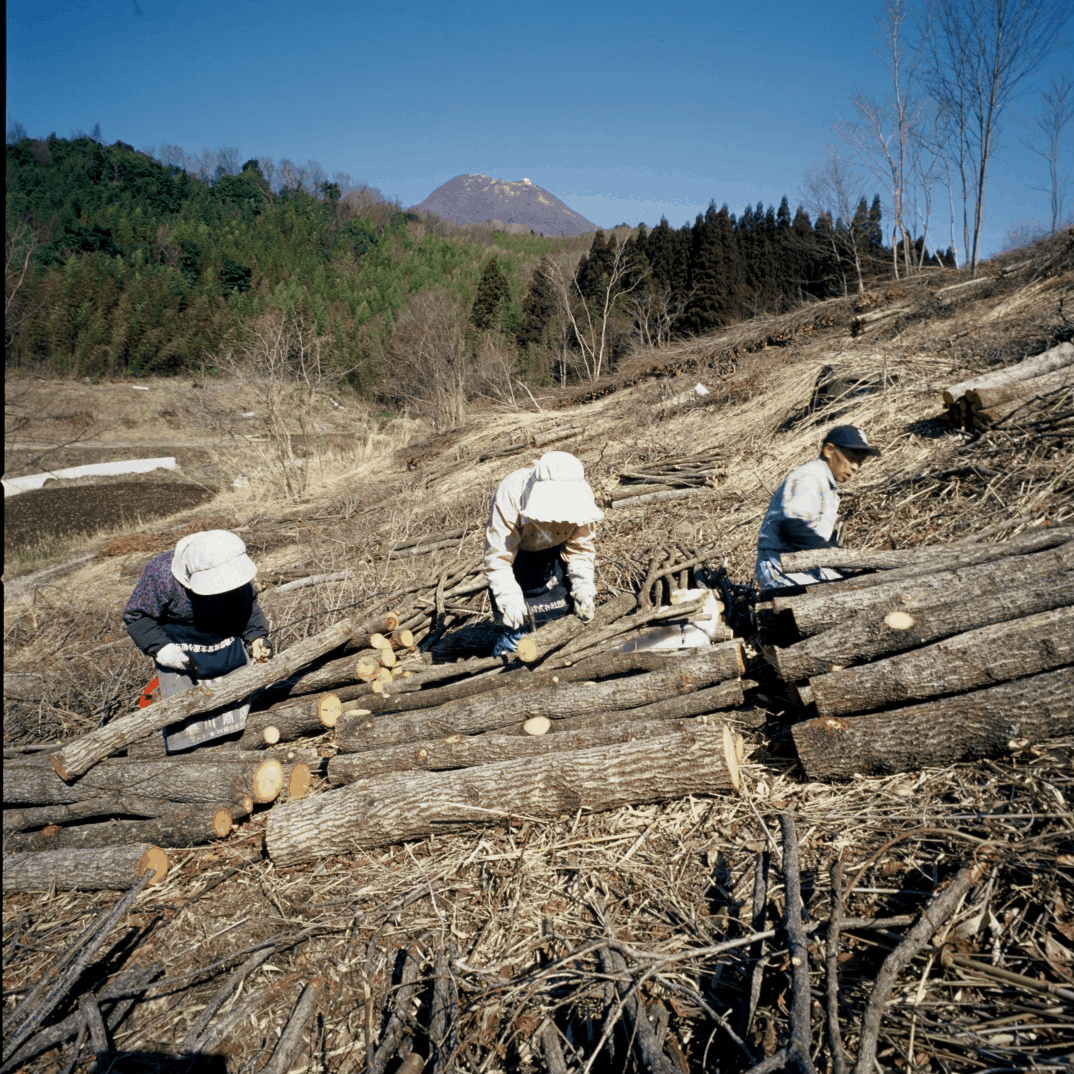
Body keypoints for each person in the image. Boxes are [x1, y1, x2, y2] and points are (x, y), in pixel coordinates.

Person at [124, 529, 272, 751]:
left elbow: (248, 606)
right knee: (190, 735)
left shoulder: (232, 566)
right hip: (182, 659)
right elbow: (138, 616)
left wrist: (257, 636)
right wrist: (164, 650)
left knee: (242, 727)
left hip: (228, 653)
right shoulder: (162, 574)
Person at [483, 451, 603, 657]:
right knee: (517, 636)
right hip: (517, 562)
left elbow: (580, 549)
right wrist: (509, 598)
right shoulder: (512, 493)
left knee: (561, 627)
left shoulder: (581, 496)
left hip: (553, 560)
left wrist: (583, 586)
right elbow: (498, 557)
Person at [754, 425, 881, 592]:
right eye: (851, 458)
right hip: (778, 565)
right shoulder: (810, 477)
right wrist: (836, 557)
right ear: (829, 450)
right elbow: (791, 527)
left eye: (860, 462)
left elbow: (815, 534)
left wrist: (844, 565)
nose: (856, 467)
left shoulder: (828, 485)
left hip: (804, 565)